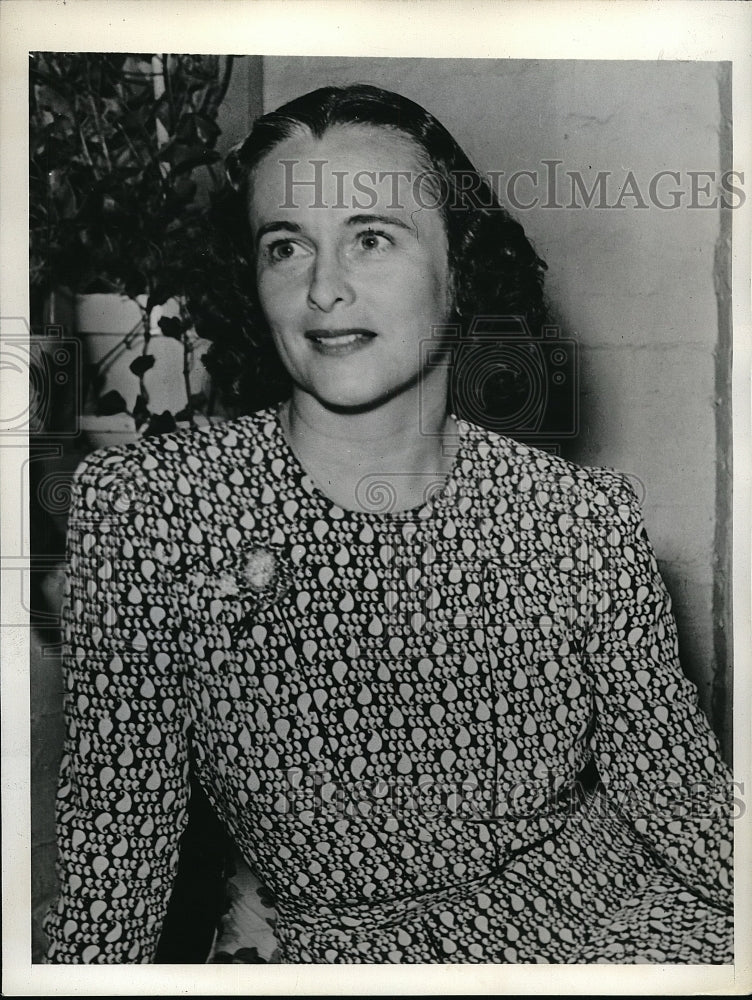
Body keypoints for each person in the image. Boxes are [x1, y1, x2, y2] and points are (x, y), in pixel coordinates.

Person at [44, 84, 733, 964]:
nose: (324, 288)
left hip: (634, 920)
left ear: (461, 267)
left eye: (372, 238)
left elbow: (685, 804)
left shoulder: (579, 517)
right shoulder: (150, 509)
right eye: (286, 246)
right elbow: (113, 865)